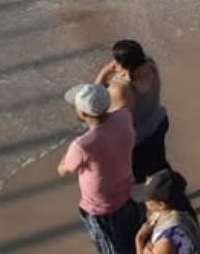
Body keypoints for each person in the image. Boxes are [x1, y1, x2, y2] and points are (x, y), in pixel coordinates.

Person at [58, 83, 141, 254]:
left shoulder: (82, 145)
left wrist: (65, 158)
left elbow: (63, 170)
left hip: (100, 209)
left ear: (82, 114)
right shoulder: (124, 117)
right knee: (132, 240)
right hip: (128, 194)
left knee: (111, 249)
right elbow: (125, 99)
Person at [96, 40, 170, 181]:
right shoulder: (150, 65)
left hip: (139, 138)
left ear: (122, 63)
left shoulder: (121, 87)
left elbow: (94, 100)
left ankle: (149, 200)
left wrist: (104, 73)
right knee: (159, 165)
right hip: (158, 121)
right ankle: (172, 194)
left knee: (137, 177)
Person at [132, 168, 200, 254]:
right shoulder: (181, 213)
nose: (144, 202)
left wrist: (139, 240)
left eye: (147, 199)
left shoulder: (167, 240)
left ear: (161, 205)